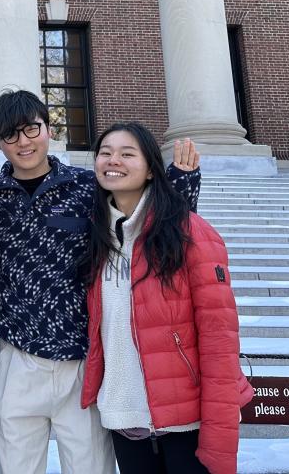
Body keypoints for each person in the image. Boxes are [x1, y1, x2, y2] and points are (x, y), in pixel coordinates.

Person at [0, 89, 201, 474]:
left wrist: (182, 184)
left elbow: (149, 226)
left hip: (84, 359)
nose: (23, 142)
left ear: (47, 128)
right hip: (18, 357)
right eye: (10, 135)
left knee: (91, 468)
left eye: (31, 129)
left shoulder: (89, 188)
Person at [81, 122, 253, 474]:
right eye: (105, 153)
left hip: (186, 422)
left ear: (149, 170)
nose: (114, 161)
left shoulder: (192, 233)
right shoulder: (95, 237)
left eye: (128, 154)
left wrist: (220, 430)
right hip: (124, 418)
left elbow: (219, 339)